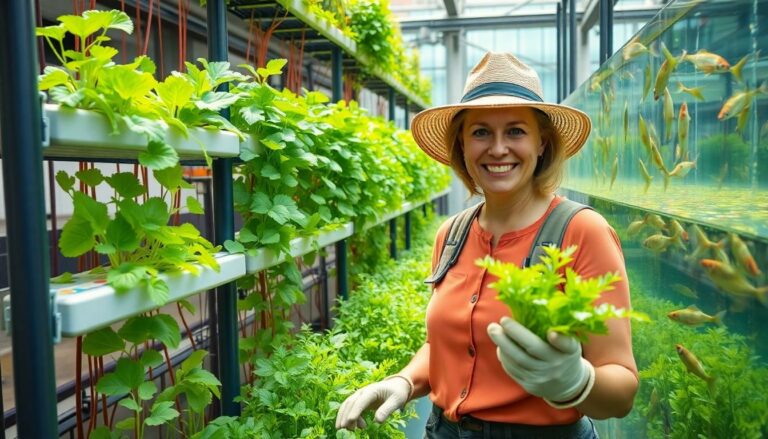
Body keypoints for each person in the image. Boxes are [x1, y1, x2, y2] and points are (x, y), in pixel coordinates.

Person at [335, 52, 638, 438]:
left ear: (542, 143)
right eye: (480, 132)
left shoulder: (582, 232)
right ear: (461, 144)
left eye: (515, 131)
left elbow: (622, 390)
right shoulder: (452, 235)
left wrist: (576, 382)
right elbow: (450, 347)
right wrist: (405, 381)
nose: (497, 149)